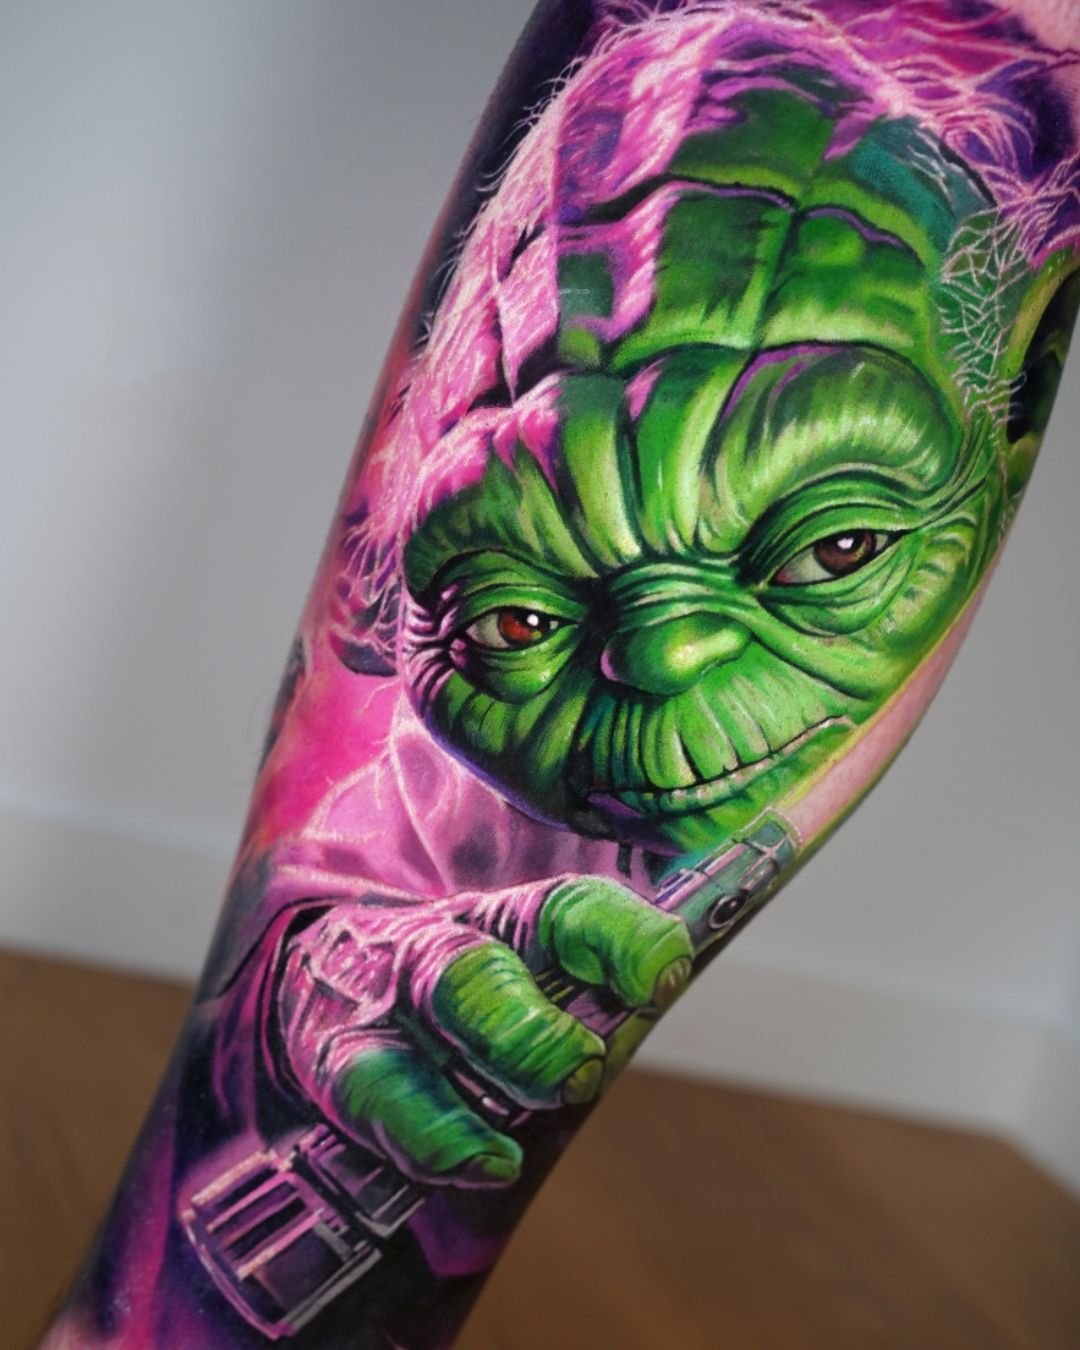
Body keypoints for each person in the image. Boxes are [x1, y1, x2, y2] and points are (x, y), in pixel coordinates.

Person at [39, 2, 1080, 1348]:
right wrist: (313, 981)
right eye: (516, 616)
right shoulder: (449, 774)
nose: (661, 656)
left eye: (834, 545)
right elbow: (366, 866)